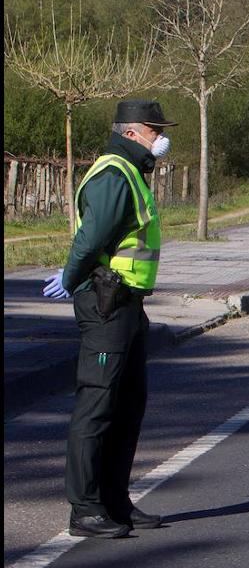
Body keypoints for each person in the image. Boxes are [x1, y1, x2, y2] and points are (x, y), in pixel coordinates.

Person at [42, 99, 176, 538]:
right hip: (106, 303)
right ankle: (85, 507)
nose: (161, 139)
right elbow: (92, 236)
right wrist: (69, 276)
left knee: (128, 405)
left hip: (127, 303)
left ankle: (116, 499)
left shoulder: (130, 171)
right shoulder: (115, 173)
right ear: (132, 132)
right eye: (155, 131)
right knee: (98, 405)